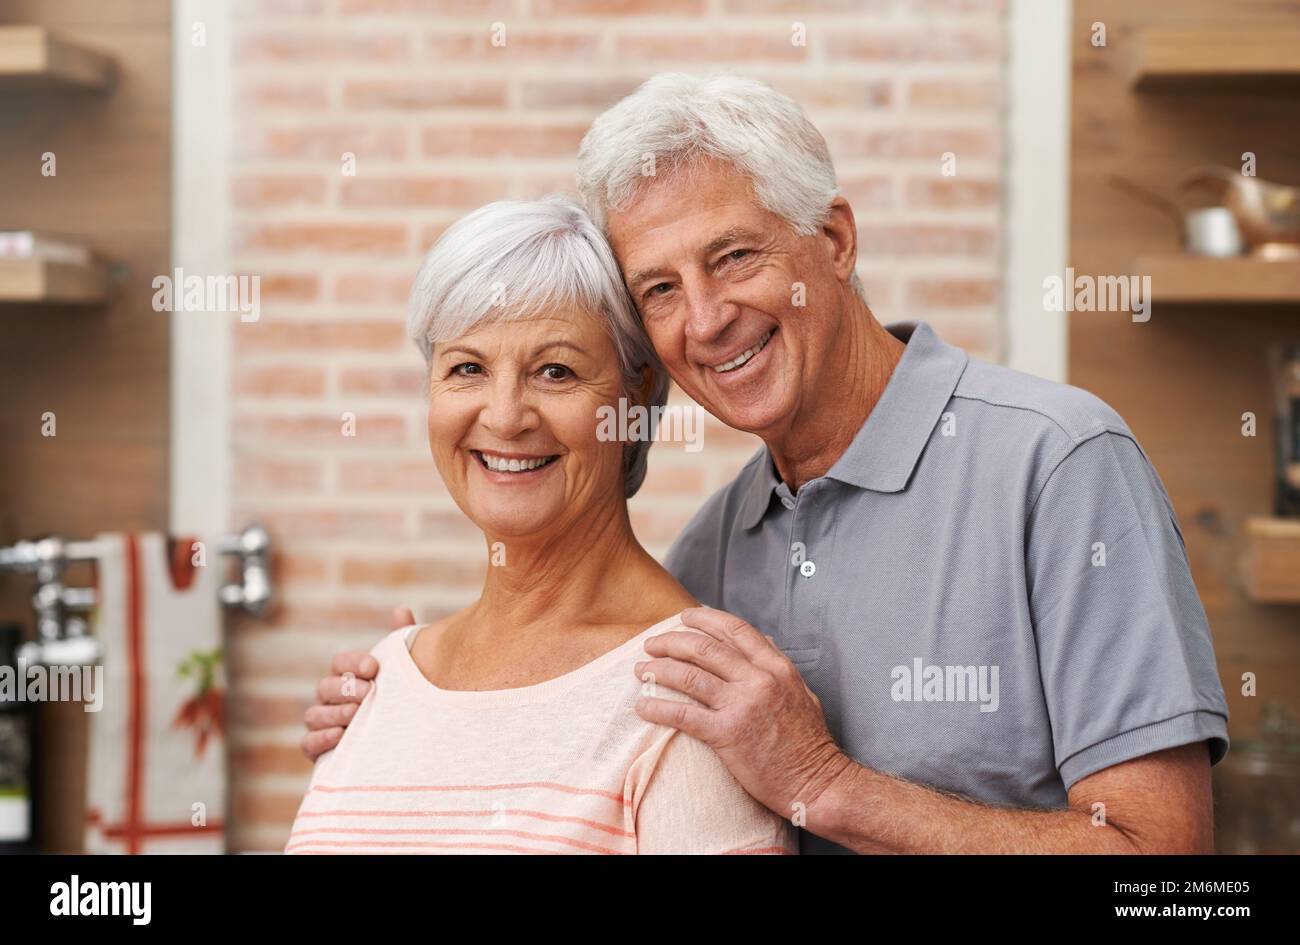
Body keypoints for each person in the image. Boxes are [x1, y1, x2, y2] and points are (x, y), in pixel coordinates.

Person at [305, 74, 1229, 854]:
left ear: (833, 240)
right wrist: (416, 711)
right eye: (659, 288)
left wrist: (825, 783)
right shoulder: (713, 553)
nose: (704, 319)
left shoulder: (1056, 463)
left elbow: (1160, 860)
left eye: (733, 256)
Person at [286, 194, 795, 854]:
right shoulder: (382, 680)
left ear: (635, 395)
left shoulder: (688, 697)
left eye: (554, 371)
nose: (505, 416)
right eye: (467, 367)